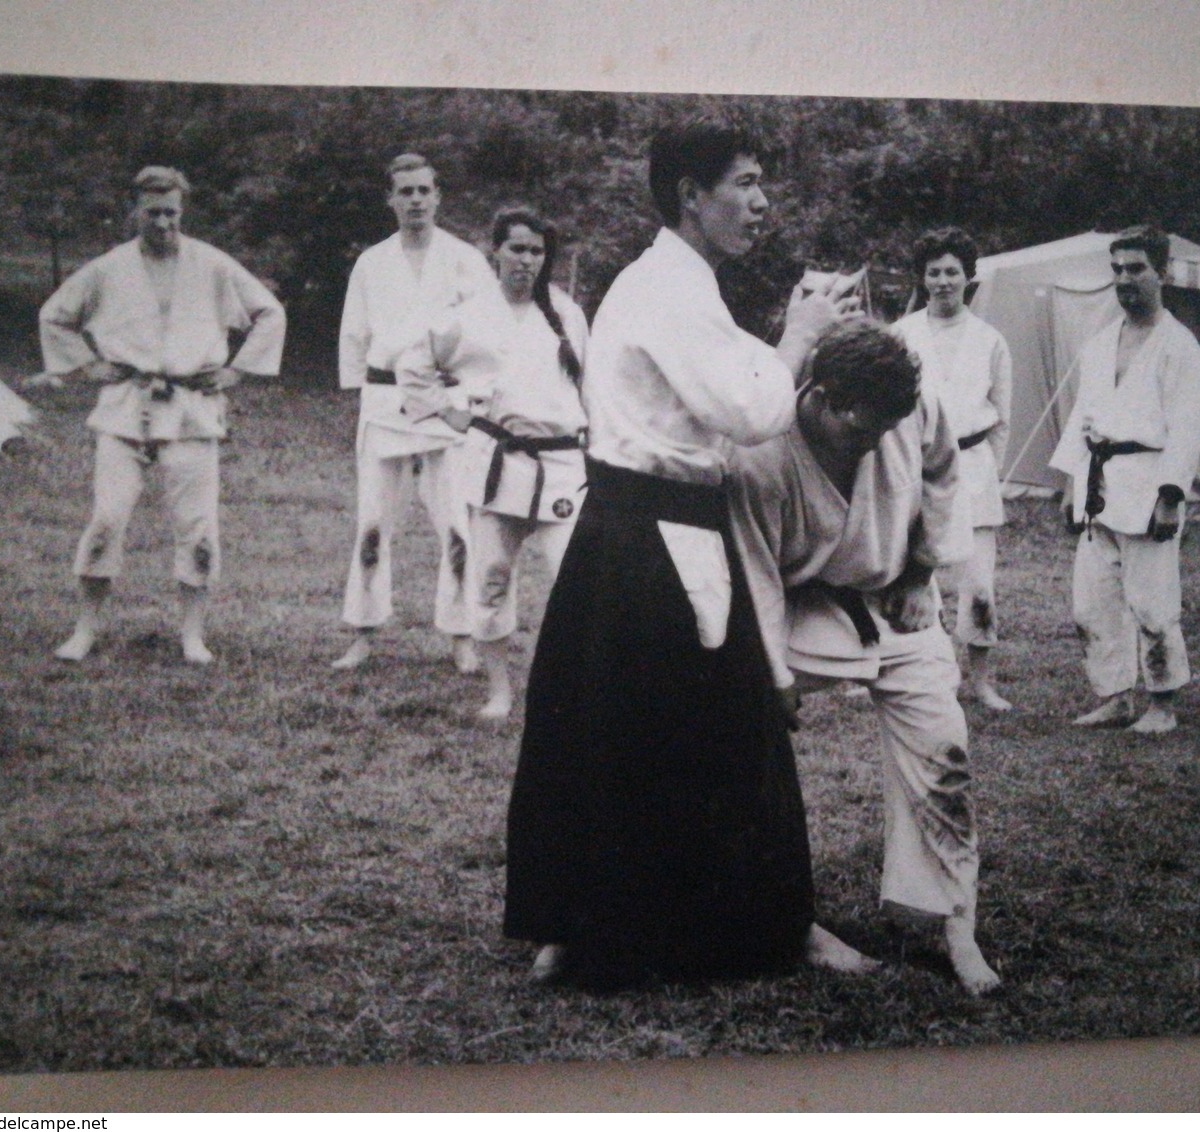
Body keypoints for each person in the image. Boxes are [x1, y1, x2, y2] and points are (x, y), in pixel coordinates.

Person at [503, 116, 867, 990]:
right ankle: (729, 928)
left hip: (630, 536)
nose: (760, 201)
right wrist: (801, 335)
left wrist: (792, 332)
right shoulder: (666, 285)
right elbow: (752, 410)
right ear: (689, 197)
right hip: (655, 538)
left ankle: (585, 924)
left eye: (760, 183)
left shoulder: (676, 283)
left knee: (614, 732)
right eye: (743, 182)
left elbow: (732, 364)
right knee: (718, 735)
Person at [731, 322, 1001, 995]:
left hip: (897, 597)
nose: (877, 441)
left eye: (887, 429)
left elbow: (943, 471)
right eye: (861, 429)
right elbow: (757, 575)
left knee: (945, 754)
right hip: (803, 609)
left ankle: (955, 924)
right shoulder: (760, 454)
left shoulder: (912, 406)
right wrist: (776, 675)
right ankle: (768, 914)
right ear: (819, 398)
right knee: (737, 722)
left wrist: (922, 567)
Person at [40, 165, 285, 665]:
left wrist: (236, 372)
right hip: (126, 408)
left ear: (182, 210)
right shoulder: (108, 268)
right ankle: (86, 627)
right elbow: (55, 314)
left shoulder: (212, 264)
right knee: (107, 518)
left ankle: (192, 635)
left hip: (191, 410)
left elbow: (269, 312)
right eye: (152, 213)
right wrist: (88, 364)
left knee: (197, 526)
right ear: (135, 211)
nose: (163, 224)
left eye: (172, 213)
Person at [330, 153, 500, 672]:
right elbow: (355, 336)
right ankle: (363, 631)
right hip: (384, 402)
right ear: (391, 200)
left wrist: (471, 395)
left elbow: (489, 335)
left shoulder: (465, 259)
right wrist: (359, 396)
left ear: (438, 195)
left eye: (424, 190)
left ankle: (461, 635)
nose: (415, 201)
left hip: (443, 403)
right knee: (374, 523)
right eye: (405, 192)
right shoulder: (372, 262)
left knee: (456, 526)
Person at [1050, 225, 1200, 734]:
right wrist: (1075, 480)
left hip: (1149, 482)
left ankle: (1162, 703)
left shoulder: (1181, 348)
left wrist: (1171, 497)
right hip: (1101, 484)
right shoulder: (1100, 343)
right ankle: (1115, 696)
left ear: (1162, 273)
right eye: (1117, 269)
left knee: (1152, 602)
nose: (1125, 279)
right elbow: (1083, 416)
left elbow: (1186, 429)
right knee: (1093, 601)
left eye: (1136, 268)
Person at [460, 208, 590, 721]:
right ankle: (499, 689)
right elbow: (416, 367)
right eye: (517, 248)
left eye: (536, 251)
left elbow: (589, 388)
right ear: (495, 250)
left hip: (561, 464)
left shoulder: (566, 313)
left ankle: (568, 687)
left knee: (573, 578)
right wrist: (454, 409)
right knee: (492, 574)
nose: (526, 260)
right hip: (498, 463)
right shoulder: (470, 311)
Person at [892, 226, 1015, 712]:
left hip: (973, 466)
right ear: (923, 280)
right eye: (934, 273)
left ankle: (980, 681)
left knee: (979, 581)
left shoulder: (990, 340)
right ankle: (924, 671)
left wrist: (991, 476)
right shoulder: (902, 334)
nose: (943, 281)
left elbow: (1003, 417)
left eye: (952, 272)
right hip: (916, 466)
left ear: (969, 277)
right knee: (913, 574)